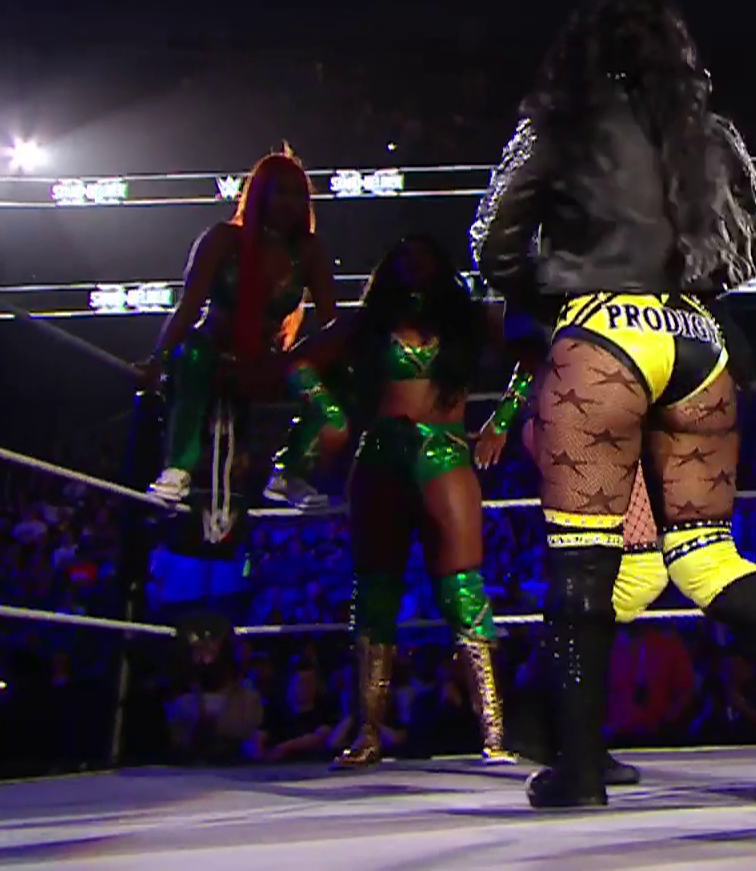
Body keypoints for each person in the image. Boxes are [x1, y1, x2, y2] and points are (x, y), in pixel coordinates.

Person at [471, 0, 756, 808]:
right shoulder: (708, 132)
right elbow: (750, 250)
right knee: (703, 551)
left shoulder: (559, 124)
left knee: (583, 561)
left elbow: (493, 242)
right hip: (696, 339)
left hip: (602, 333)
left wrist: (557, 295)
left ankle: (578, 767)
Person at [283, 235, 517, 769]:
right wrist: (329, 414)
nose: (414, 266)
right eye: (405, 257)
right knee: (374, 592)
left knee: (462, 589)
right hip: (381, 454)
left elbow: (536, 349)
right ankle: (367, 733)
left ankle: (495, 734)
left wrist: (503, 419)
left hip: (444, 453)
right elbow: (298, 363)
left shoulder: (469, 319)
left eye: (424, 256)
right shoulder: (367, 323)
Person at [140, 147, 339, 509]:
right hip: (212, 348)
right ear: (261, 194)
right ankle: (178, 468)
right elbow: (189, 306)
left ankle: (290, 472)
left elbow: (331, 325)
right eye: (281, 192)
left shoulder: (309, 251)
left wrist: (339, 369)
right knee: (194, 355)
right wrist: (158, 357)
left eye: (297, 194)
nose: (289, 203)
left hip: (266, 360)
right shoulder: (222, 239)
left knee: (326, 392)